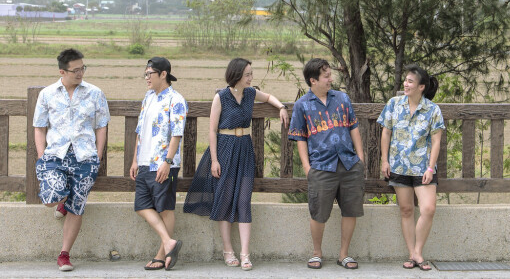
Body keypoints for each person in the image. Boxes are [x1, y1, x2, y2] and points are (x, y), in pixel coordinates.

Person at [184, 58, 290, 270]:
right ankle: (228, 250)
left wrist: (281, 107)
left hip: (245, 149)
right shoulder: (221, 97)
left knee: (243, 200)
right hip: (225, 149)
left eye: (251, 74)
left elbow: (268, 97)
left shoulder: (250, 93)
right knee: (224, 199)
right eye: (247, 74)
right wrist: (215, 160)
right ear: (237, 75)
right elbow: (212, 131)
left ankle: (245, 254)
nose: (251, 78)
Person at [32, 48, 111, 272]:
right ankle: (61, 201)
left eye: (82, 68)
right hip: (55, 155)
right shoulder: (47, 94)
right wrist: (42, 156)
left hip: (85, 157)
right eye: (75, 70)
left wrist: (98, 155)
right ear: (62, 72)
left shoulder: (95, 93)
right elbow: (39, 127)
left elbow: (101, 126)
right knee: (50, 197)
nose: (80, 73)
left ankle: (64, 254)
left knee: (77, 206)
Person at [288, 58, 365, 271]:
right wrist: (307, 168)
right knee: (318, 213)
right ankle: (317, 253)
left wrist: (360, 158)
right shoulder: (302, 105)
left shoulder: (342, 98)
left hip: (349, 164)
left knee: (350, 211)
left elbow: (353, 127)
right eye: (326, 76)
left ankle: (344, 255)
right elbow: (300, 138)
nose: (331, 79)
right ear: (313, 80)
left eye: (330, 75)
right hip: (321, 166)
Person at [378, 64, 445, 271]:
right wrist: (384, 160)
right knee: (406, 210)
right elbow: (386, 132)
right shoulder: (393, 104)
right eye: (405, 80)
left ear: (421, 87)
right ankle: (413, 254)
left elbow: (436, 142)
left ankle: (418, 251)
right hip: (398, 165)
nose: (405, 84)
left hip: (423, 168)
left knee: (428, 209)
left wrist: (430, 168)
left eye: (410, 82)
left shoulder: (432, 110)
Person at [130, 56, 187, 271]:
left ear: (163, 74)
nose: (146, 77)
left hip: (163, 164)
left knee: (165, 209)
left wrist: (167, 162)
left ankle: (161, 256)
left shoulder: (176, 99)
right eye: (145, 74)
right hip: (144, 162)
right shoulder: (148, 97)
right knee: (141, 206)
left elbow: (177, 134)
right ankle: (169, 242)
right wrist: (135, 159)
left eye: (150, 74)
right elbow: (140, 131)